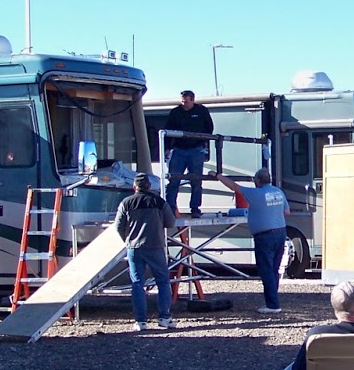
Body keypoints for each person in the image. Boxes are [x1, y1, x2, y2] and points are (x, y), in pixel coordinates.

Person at [216, 168, 289, 313]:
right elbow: (287, 212)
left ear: (258, 180)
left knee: (266, 270)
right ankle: (273, 300)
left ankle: (273, 305)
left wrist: (218, 176)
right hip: (281, 232)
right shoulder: (278, 192)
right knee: (274, 269)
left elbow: (234, 187)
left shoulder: (255, 193)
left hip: (265, 236)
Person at [113, 171, 177, 332]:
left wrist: (127, 239)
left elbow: (118, 226)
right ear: (149, 186)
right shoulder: (159, 202)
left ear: (134, 187)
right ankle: (164, 317)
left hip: (134, 248)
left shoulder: (126, 203)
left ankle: (140, 321)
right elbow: (171, 222)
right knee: (163, 281)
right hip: (155, 246)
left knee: (137, 283)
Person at [163, 89, 214, 217]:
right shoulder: (175, 112)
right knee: (173, 180)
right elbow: (168, 129)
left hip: (196, 150)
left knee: (196, 181)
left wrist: (204, 142)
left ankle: (195, 208)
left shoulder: (201, 110)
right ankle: (170, 209)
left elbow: (209, 128)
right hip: (178, 150)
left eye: (186, 101)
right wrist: (167, 148)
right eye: (182, 101)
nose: (184, 104)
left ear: (192, 100)